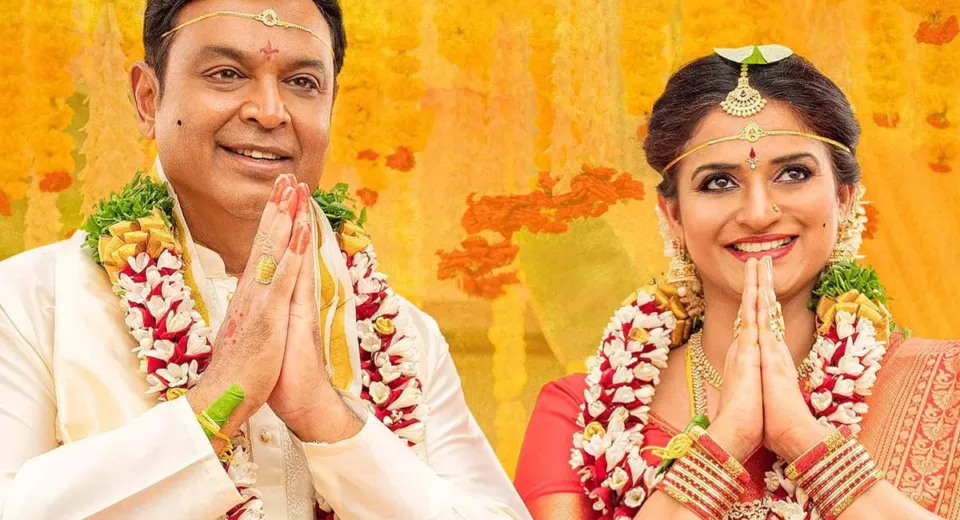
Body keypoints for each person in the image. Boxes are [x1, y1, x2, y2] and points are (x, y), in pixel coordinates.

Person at [0, 1, 531, 519]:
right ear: (147, 98)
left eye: (302, 82)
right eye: (227, 74)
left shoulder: (401, 334)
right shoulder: (30, 305)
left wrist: (325, 418)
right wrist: (220, 398)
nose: (270, 111)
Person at [514, 45, 958, 520]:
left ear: (845, 198)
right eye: (719, 182)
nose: (758, 213)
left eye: (793, 173)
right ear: (673, 214)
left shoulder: (948, 385)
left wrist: (805, 442)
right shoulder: (583, 417)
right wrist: (727, 439)